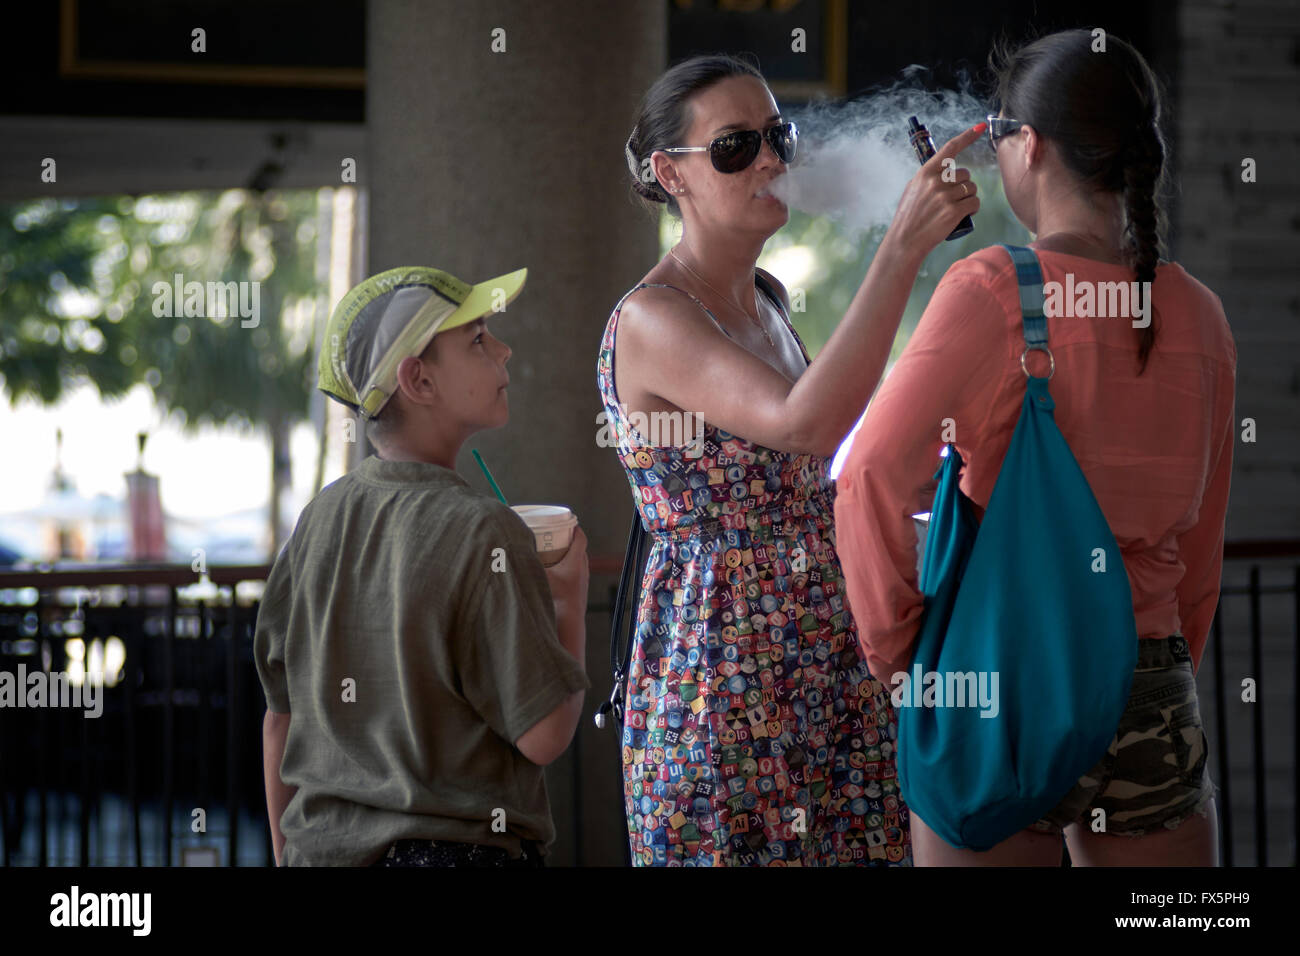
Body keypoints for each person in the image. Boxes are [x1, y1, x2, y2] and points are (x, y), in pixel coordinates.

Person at [833, 30, 1235, 866]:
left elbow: (869, 471)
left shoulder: (990, 289)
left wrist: (902, 658)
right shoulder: (1199, 312)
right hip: (1149, 676)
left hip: (999, 675)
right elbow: (1202, 540)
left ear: (1032, 144)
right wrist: (1157, 670)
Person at [600, 53, 984, 865]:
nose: (772, 159)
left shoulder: (769, 296)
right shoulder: (651, 319)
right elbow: (805, 424)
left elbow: (826, 446)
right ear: (671, 175)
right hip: (720, 672)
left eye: (780, 135)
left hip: (826, 656)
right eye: (736, 147)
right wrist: (901, 249)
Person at [255, 265, 590, 867]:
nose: (505, 349)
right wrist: (568, 602)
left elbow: (280, 722)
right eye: (478, 340)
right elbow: (544, 736)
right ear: (419, 380)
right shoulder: (484, 528)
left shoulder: (315, 522)